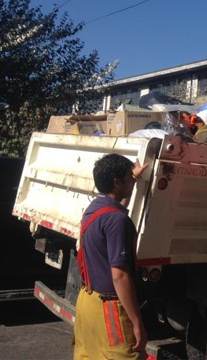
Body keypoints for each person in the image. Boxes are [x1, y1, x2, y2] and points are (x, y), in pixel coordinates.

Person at [73, 153, 149, 360]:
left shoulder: (94, 209)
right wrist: (137, 323)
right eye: (128, 177)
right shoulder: (117, 221)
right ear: (117, 182)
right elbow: (120, 276)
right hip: (110, 312)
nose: (132, 181)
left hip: (87, 303)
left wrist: (133, 178)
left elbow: (119, 205)